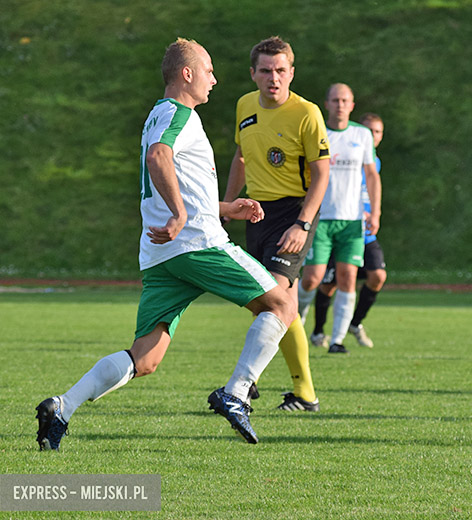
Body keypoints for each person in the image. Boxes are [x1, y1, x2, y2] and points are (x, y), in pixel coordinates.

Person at [35, 38, 296, 450]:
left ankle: (62, 407)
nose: (215, 78)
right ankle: (237, 392)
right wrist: (180, 214)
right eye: (208, 70)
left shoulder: (159, 114)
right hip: (196, 244)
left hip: (161, 254)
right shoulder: (179, 114)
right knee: (283, 304)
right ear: (187, 74)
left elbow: (179, 179)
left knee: (146, 358)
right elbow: (159, 158)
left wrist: (226, 207)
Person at [223, 36, 329, 412]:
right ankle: (305, 394)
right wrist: (227, 204)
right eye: (266, 70)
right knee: (269, 304)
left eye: (281, 70)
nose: (274, 78)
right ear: (253, 73)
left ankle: (243, 384)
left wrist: (302, 224)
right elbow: (241, 157)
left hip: (294, 212)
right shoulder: (244, 106)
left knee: (276, 300)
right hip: (257, 212)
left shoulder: (306, 112)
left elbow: (322, 174)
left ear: (291, 73)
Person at [297, 84, 381, 354]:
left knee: (347, 276)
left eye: (345, 100)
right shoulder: (318, 131)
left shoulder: (362, 134)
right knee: (312, 279)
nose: (340, 104)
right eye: (335, 100)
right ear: (327, 103)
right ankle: (295, 322)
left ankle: (337, 340)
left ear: (352, 104)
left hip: (352, 220)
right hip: (322, 218)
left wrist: (375, 211)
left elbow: (371, 175)